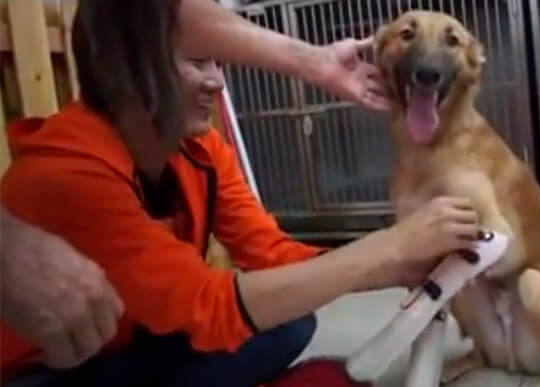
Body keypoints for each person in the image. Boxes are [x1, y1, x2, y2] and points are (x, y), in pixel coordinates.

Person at [0, 0, 479, 385]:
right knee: (250, 317)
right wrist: (390, 244)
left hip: (136, 344)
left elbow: (270, 253)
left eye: (217, 61)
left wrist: (397, 268)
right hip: (47, 369)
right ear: (126, 71)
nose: (217, 80)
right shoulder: (70, 168)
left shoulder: (202, 149)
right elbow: (210, 306)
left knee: (291, 321)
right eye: (195, 61)